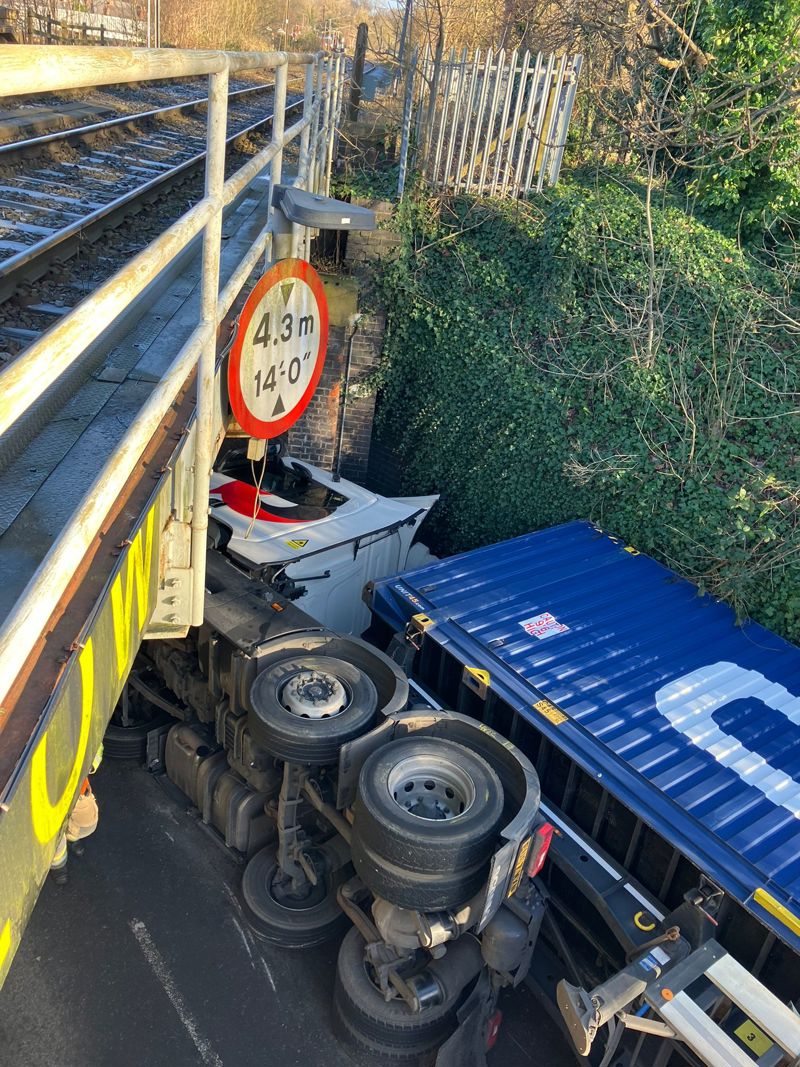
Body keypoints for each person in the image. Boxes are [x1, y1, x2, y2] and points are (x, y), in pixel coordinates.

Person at [50, 745, 103, 886]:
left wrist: (90, 764)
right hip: (43, 801)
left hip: (75, 790)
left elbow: (95, 740)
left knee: (87, 825)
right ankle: (59, 867)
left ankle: (71, 836)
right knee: (53, 843)